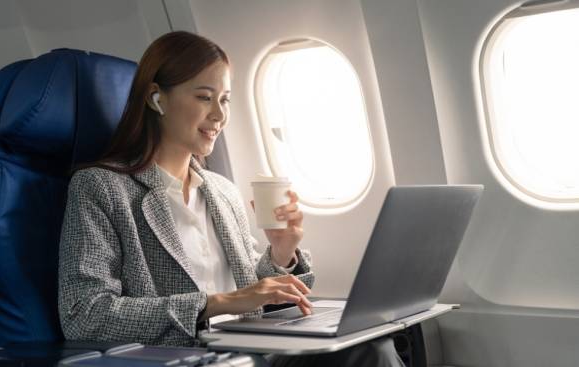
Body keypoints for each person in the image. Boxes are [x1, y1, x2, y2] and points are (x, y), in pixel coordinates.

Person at [58, 31, 404, 367]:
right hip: (187, 357)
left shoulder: (221, 190)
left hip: (254, 349)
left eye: (224, 100)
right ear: (156, 98)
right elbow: (86, 315)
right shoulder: (101, 188)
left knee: (374, 348)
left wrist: (281, 253)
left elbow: (252, 290)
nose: (220, 116)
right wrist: (218, 303)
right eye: (204, 98)